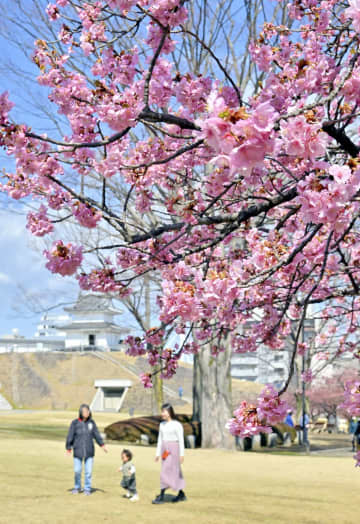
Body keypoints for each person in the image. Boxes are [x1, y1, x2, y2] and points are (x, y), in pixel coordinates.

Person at [65, 403, 107, 495]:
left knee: (88, 472)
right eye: (84, 411)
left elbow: (96, 434)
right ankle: (77, 487)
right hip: (78, 451)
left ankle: (87, 488)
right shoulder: (75, 423)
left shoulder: (91, 423)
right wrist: (68, 448)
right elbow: (70, 436)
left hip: (89, 451)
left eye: (87, 411)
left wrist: (102, 445)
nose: (86, 413)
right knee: (77, 471)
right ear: (80, 412)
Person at [152, 403, 186, 504]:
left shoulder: (177, 425)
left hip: (174, 449)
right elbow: (160, 439)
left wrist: (182, 454)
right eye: (161, 411)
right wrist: (157, 453)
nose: (162, 413)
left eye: (164, 411)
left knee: (174, 471)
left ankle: (168, 494)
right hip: (165, 450)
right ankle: (178, 493)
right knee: (165, 470)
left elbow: (181, 440)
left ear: (169, 412)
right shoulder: (161, 425)